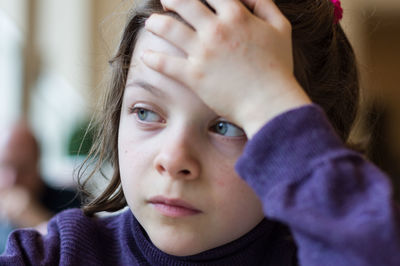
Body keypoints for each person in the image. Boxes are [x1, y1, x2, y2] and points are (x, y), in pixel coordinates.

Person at [1, 0, 400, 264]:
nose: (173, 159)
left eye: (228, 124)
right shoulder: (55, 256)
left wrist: (267, 96)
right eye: (145, 112)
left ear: (304, 133)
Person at [0, 120, 81, 254]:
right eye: (5, 166)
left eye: (24, 169)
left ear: (37, 165)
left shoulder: (70, 201)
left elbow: (81, 252)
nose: (13, 179)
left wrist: (35, 219)